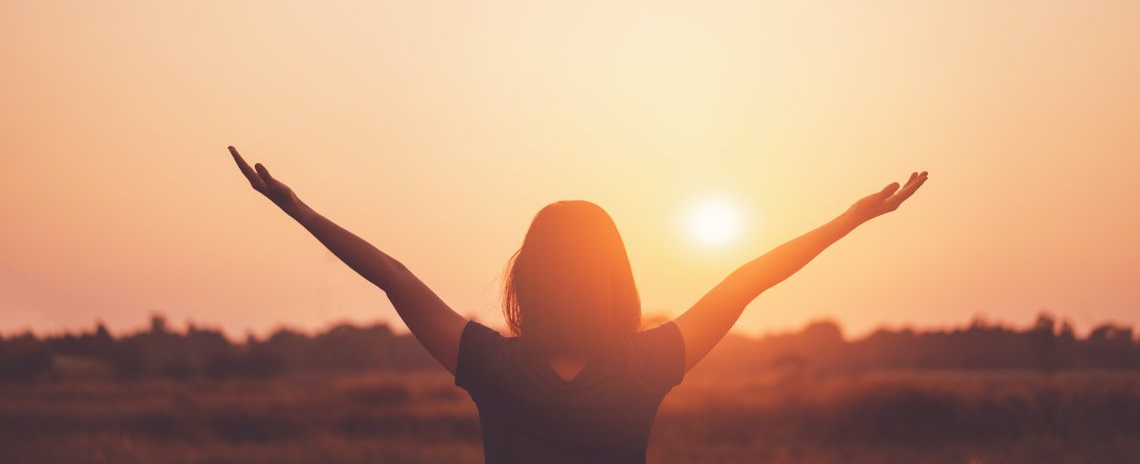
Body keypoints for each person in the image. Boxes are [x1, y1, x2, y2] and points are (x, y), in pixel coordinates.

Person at [228, 146, 928, 463]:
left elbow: (395, 278)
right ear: (616, 281)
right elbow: (750, 279)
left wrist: (296, 209)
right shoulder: (650, 362)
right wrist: (850, 220)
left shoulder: (490, 364)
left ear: (527, 281)